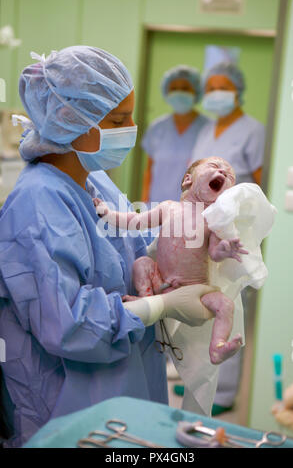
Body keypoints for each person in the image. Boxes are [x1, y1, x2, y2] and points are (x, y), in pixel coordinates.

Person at [0, 46, 217, 447]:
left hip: (125, 383)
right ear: (70, 119)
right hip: (71, 403)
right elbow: (69, 325)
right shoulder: (37, 203)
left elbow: (125, 251)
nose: (131, 127)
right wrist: (161, 306)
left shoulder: (95, 181)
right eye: (118, 120)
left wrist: (168, 262)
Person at [189, 62, 266, 415]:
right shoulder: (207, 129)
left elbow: (261, 185)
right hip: (205, 228)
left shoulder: (253, 131)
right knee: (205, 300)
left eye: (224, 86)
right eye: (212, 87)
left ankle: (225, 390)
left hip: (235, 232)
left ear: (237, 89)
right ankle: (199, 372)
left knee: (231, 303)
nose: (216, 93)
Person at [141, 65, 211, 203]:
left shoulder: (208, 128)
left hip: (193, 208)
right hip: (156, 206)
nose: (179, 92)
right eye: (174, 88)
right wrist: (143, 203)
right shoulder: (157, 128)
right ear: (167, 92)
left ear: (196, 92)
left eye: (185, 88)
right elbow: (149, 171)